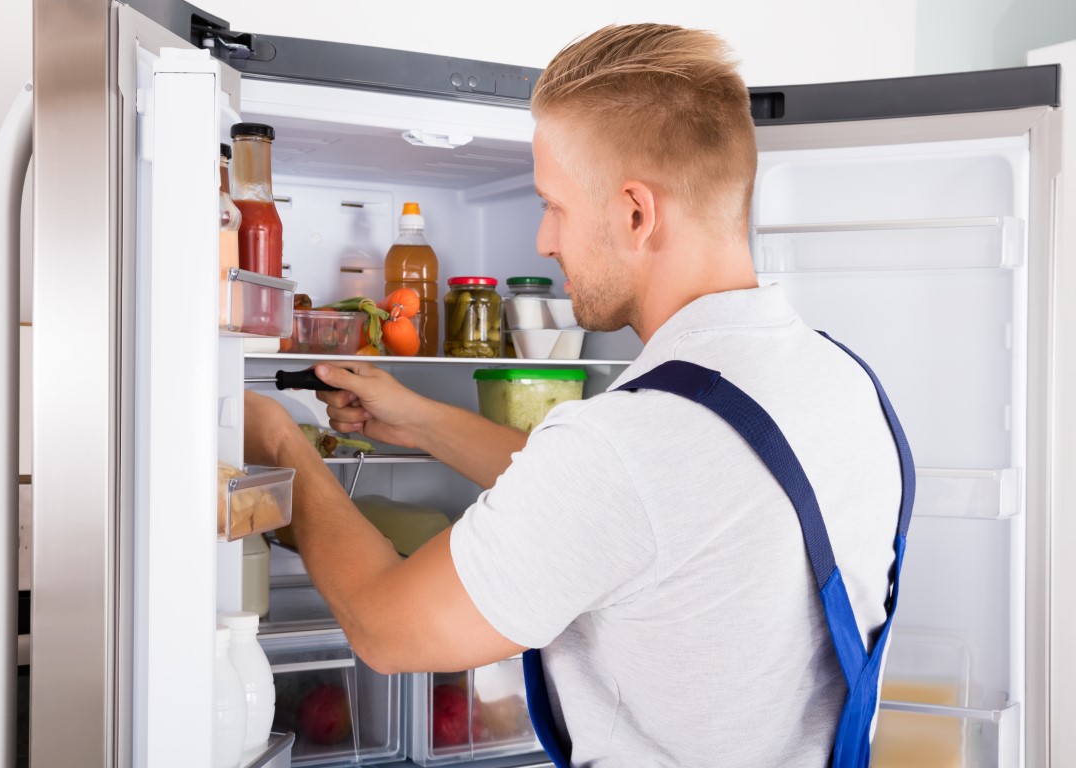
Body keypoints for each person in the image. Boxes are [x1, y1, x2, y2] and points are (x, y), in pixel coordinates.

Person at [244, 23, 906, 767]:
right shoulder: (841, 382)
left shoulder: (631, 444)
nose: (542, 241)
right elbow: (641, 511)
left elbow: (388, 630)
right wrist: (425, 421)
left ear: (634, 212)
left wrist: (281, 445)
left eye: (552, 204)